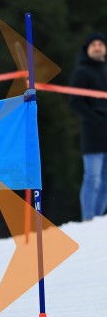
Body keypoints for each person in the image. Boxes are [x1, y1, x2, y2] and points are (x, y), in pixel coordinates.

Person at [69, 31, 107, 221]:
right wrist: (95, 119)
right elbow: (75, 101)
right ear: (88, 49)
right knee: (93, 178)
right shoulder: (82, 72)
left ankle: (98, 220)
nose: (98, 47)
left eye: (101, 44)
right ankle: (88, 219)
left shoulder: (105, 71)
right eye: (94, 44)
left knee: (106, 181)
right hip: (92, 134)